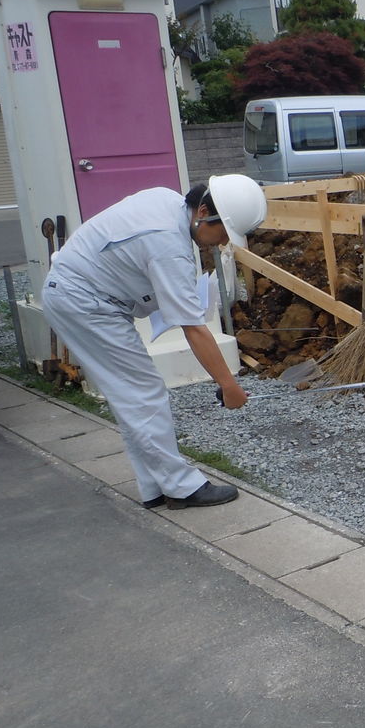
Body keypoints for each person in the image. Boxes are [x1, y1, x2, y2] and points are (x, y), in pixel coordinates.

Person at [42, 175, 267, 509]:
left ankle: (155, 487)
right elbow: (194, 328)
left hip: (77, 294)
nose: (221, 243)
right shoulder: (168, 247)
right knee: (143, 392)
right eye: (222, 233)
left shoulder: (167, 201)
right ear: (202, 212)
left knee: (132, 396)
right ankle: (181, 487)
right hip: (84, 301)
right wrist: (228, 384)